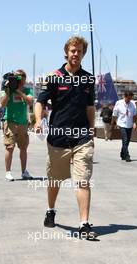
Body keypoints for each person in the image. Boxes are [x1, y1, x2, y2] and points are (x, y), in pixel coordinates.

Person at [35, 36, 98, 239]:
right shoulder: (54, 77)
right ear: (66, 52)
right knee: (55, 179)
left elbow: (90, 107)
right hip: (58, 138)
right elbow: (40, 102)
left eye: (79, 51)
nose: (75, 54)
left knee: (83, 180)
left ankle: (84, 224)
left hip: (82, 138)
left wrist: (91, 130)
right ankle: (51, 210)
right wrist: (37, 121)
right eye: (72, 50)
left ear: (83, 54)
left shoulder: (88, 79)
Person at [0, 69, 33, 181]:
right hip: (10, 122)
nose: (21, 82)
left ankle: (24, 171)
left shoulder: (27, 90)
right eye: (18, 79)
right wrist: (8, 91)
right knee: (10, 147)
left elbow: (30, 101)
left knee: (23, 148)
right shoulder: (9, 90)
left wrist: (19, 91)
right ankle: (8, 172)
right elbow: (3, 104)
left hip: (23, 123)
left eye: (23, 79)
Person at [111, 91, 137, 162]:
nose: (129, 100)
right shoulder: (118, 103)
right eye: (128, 98)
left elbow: (134, 115)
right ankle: (127, 156)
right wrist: (114, 122)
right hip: (121, 124)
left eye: (130, 98)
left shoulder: (133, 104)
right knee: (125, 140)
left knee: (127, 141)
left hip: (130, 124)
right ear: (124, 97)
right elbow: (114, 114)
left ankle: (122, 153)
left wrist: (134, 123)